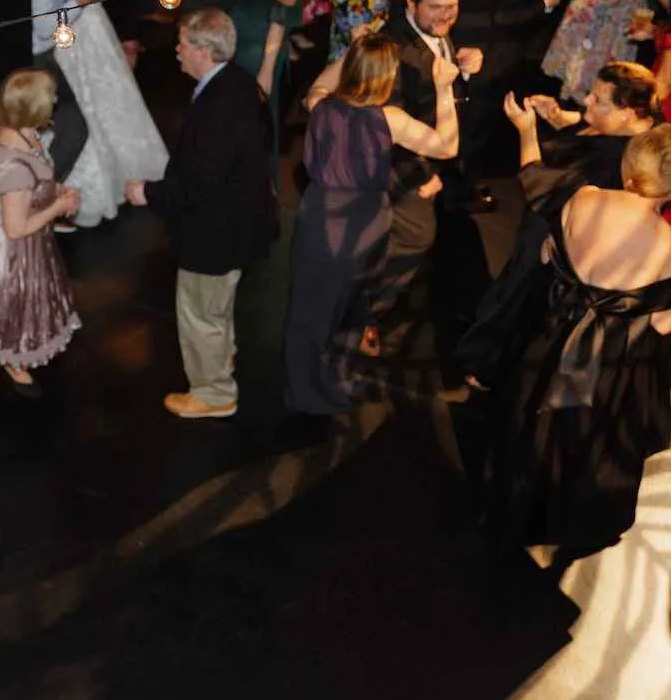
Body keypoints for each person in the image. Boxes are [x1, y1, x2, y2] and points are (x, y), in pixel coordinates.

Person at [484, 125, 671, 559]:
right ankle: (564, 521)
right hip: (612, 363)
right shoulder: (666, 244)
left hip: (550, 341)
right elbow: (662, 324)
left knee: (530, 422)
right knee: (585, 442)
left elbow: (550, 255)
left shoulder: (583, 198)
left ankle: (513, 504)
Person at [451, 65, 659, 399]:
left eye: (598, 100)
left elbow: (539, 187)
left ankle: (484, 371)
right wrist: (567, 118)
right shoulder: (647, 131)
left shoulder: (613, 161)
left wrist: (527, 132)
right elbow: (597, 131)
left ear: (627, 112)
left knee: (519, 294)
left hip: (555, 235)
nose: (586, 101)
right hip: (562, 230)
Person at [285, 36, 459, 415]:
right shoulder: (390, 119)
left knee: (310, 308)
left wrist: (350, 50)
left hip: (321, 217)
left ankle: (307, 390)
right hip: (366, 220)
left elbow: (316, 86)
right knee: (354, 304)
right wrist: (444, 89)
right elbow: (447, 146)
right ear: (386, 76)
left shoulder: (321, 106)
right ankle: (338, 380)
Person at [125, 9, 277, 419]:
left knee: (199, 314)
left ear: (205, 51)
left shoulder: (216, 109)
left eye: (184, 44)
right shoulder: (240, 84)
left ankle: (213, 393)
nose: (177, 50)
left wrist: (147, 193)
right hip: (240, 225)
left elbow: (196, 183)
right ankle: (223, 357)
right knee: (219, 305)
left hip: (214, 234)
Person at [362, 0, 483, 353]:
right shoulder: (391, 49)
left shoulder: (438, 32)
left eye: (452, 7)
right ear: (410, 4)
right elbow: (385, 123)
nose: (446, 16)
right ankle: (365, 315)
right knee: (414, 236)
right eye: (435, 8)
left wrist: (468, 65)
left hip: (437, 161)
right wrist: (418, 176)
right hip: (402, 166)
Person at [55, 0, 172, 225]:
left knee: (115, 97)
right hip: (81, 31)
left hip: (99, 26)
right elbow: (69, 1)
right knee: (90, 100)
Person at [0, 70, 81, 396]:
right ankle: (12, 356)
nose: (55, 101)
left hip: (27, 233)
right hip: (14, 248)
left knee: (31, 295)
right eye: (50, 98)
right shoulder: (14, 168)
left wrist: (56, 192)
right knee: (14, 300)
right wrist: (57, 208)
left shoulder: (23, 132)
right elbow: (16, 228)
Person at [448, 0, 569, 191]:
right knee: (473, 128)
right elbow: (507, 16)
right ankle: (459, 192)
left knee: (455, 117)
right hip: (492, 53)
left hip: (459, 35)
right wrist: (545, 3)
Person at [29, 0, 106, 182]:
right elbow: (47, 24)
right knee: (73, 121)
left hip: (48, 52)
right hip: (39, 56)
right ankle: (45, 190)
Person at [211, 0, 303, 167]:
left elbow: (279, 21)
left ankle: (258, 179)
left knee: (255, 118)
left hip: (259, 51)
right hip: (239, 47)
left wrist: (266, 71)